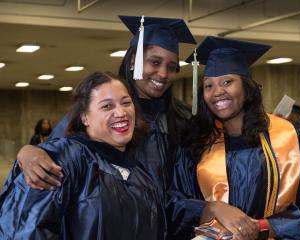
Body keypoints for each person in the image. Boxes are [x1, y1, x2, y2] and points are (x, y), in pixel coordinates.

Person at [15, 16, 195, 209]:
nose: (163, 74)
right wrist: (27, 152)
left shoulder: (180, 118)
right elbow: (58, 151)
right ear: (134, 60)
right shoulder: (100, 112)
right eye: (154, 62)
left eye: (171, 67)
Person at [166, 36, 300, 239]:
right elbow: (175, 203)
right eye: (209, 85)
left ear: (247, 88)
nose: (217, 92)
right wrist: (211, 208)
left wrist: (264, 227)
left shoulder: (290, 136)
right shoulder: (198, 142)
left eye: (227, 82)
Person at [0, 72, 164, 239]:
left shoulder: (139, 173)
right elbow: (25, 230)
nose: (121, 112)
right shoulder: (62, 159)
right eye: (107, 106)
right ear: (85, 116)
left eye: (126, 103)